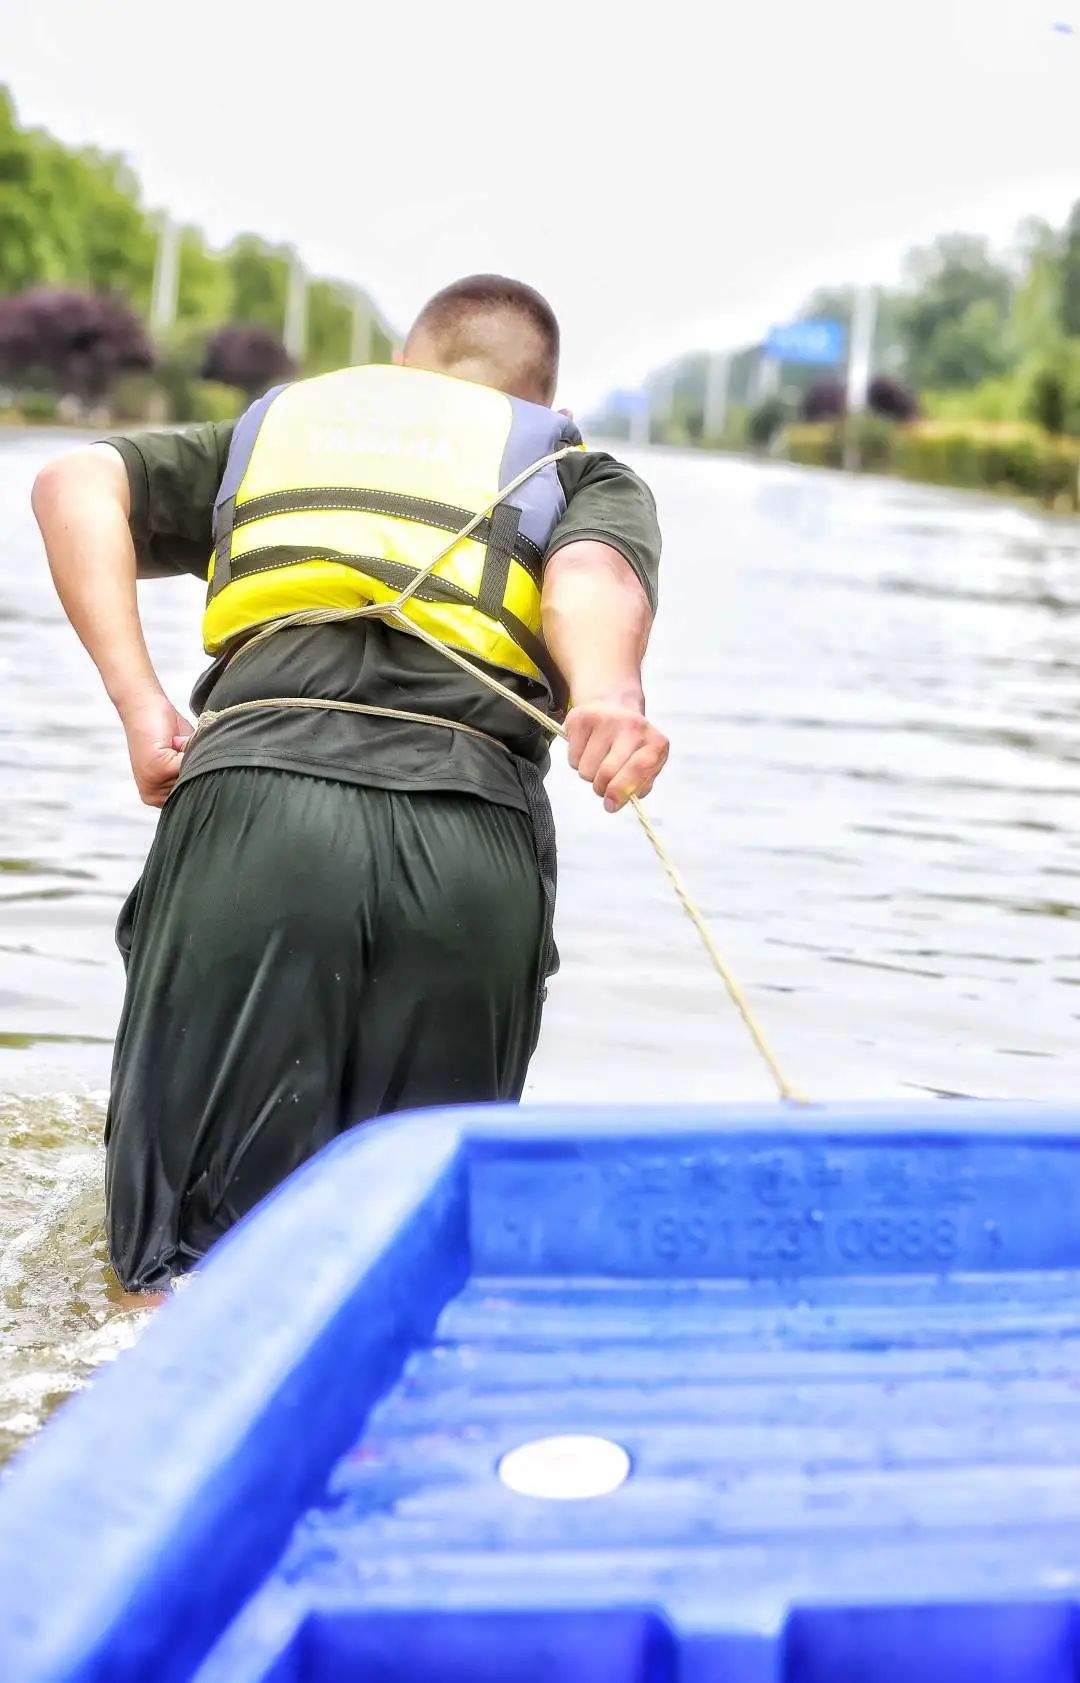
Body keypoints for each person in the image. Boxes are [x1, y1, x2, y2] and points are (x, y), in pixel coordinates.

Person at [32, 274, 667, 1291]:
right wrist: (608, 693)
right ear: (542, 397)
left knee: (165, 1276)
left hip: (253, 816)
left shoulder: (281, 431)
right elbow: (594, 577)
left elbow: (73, 485)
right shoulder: (572, 463)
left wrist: (141, 703)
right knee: (407, 1261)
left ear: (403, 368)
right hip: (470, 846)